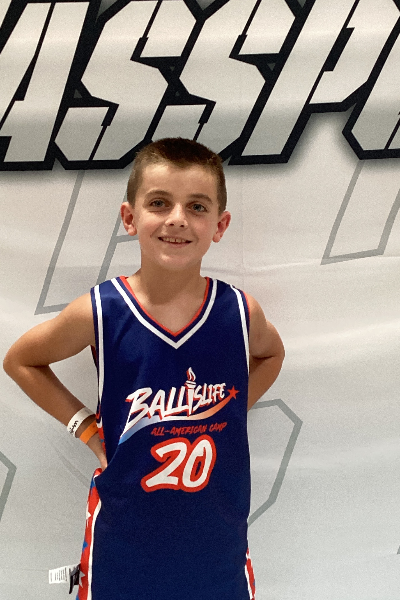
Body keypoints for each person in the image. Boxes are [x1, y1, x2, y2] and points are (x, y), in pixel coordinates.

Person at [3, 137, 284, 600]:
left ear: (220, 225)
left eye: (197, 206)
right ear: (130, 218)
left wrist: (232, 410)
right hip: (122, 540)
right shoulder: (101, 309)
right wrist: (88, 430)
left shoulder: (239, 311)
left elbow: (272, 356)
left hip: (217, 541)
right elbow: (20, 360)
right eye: (159, 203)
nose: (177, 218)